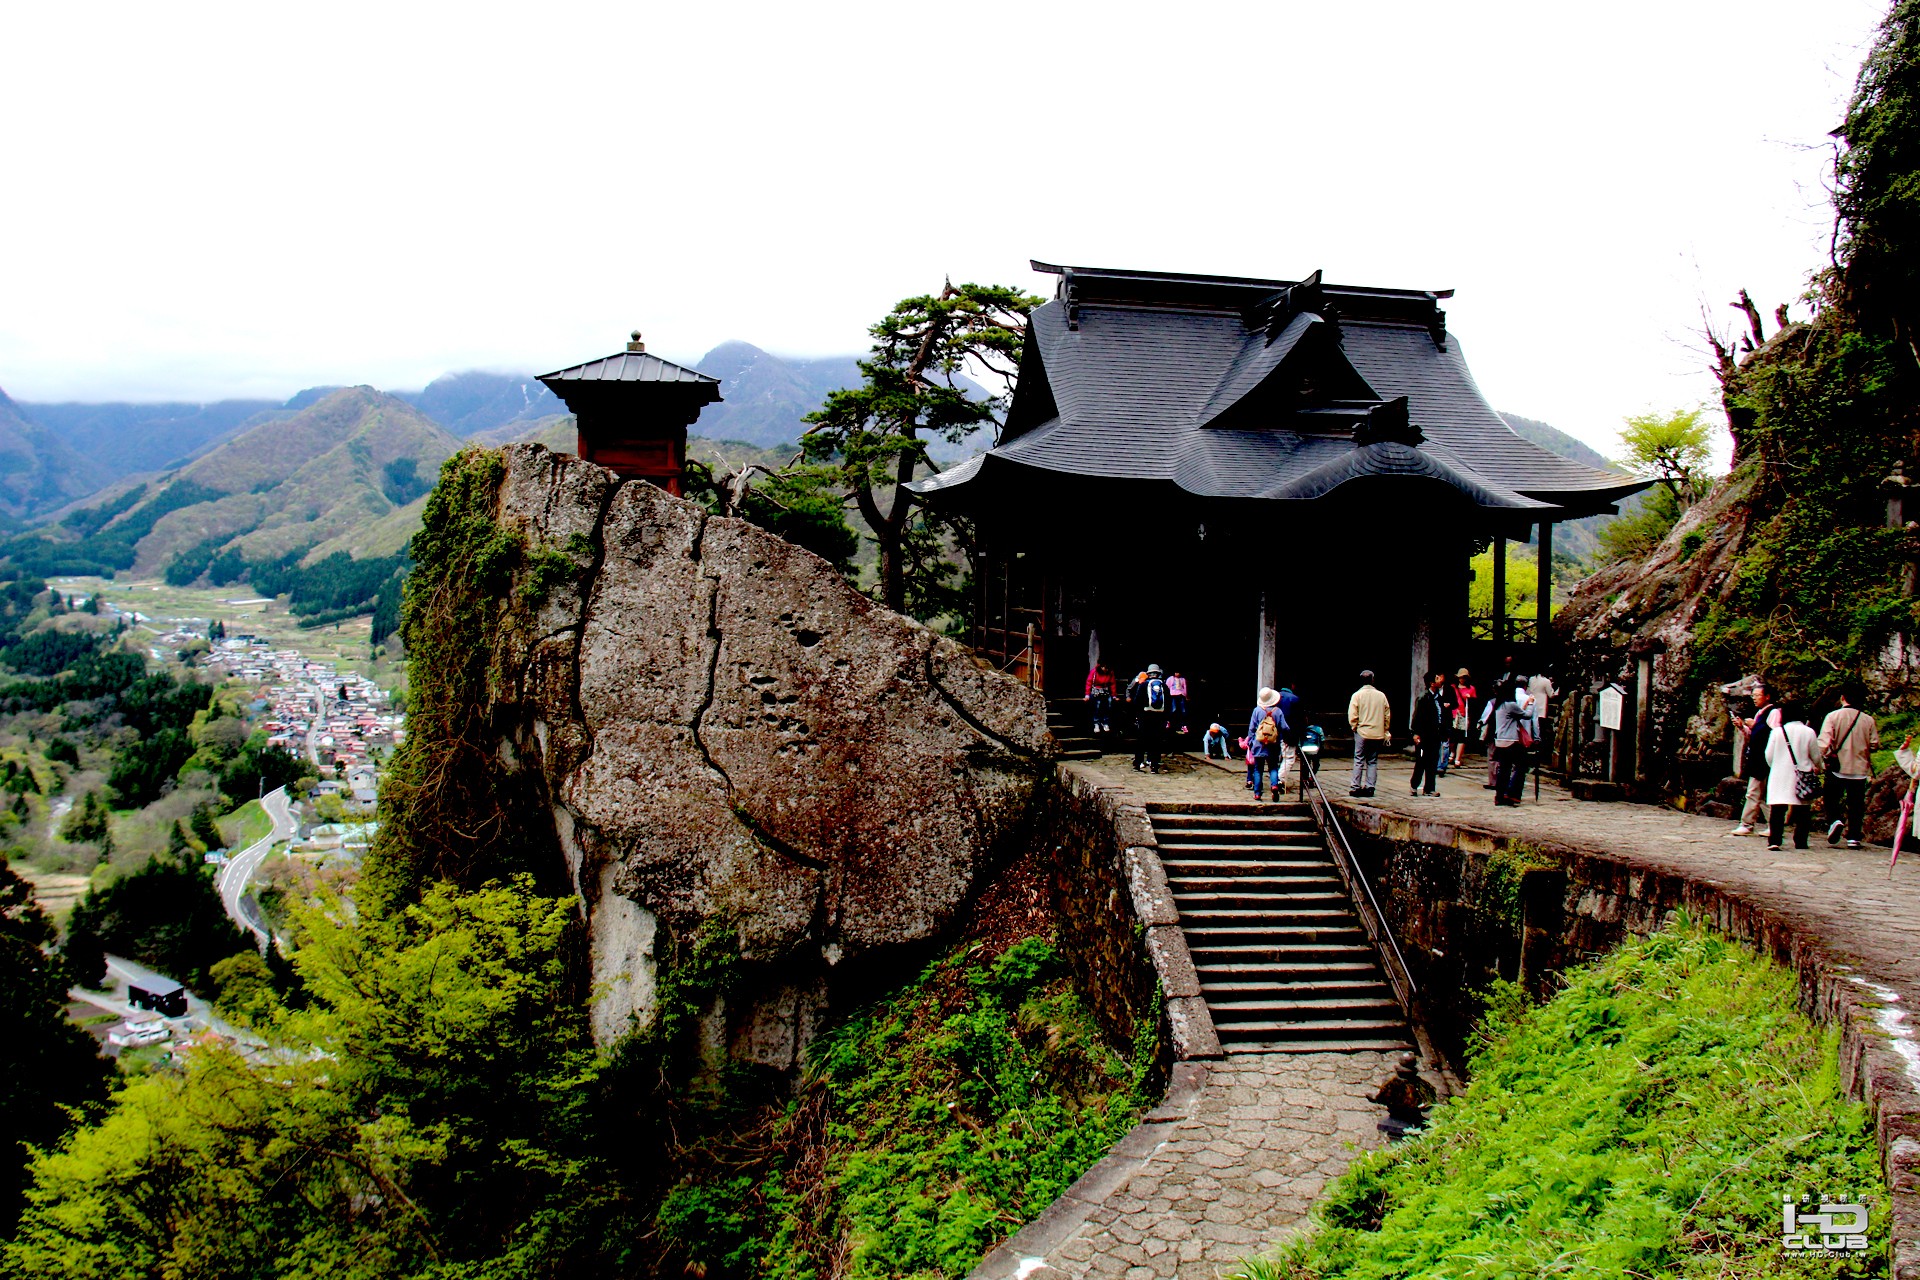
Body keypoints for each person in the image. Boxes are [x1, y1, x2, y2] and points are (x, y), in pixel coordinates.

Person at [1818, 687, 1879, 849]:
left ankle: (1835, 821)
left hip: (1838, 767)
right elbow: (1874, 744)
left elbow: (1823, 744)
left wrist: (1820, 759)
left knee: (1831, 798)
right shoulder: (1868, 720)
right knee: (1856, 803)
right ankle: (1854, 836)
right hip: (1859, 769)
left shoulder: (1833, 716)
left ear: (1843, 698)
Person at [1764, 701, 1823, 851]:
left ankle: (1775, 840)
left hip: (1780, 774)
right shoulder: (1809, 732)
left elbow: (1768, 755)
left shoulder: (1777, 732)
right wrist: (1819, 767)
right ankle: (1800, 841)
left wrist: (1776, 765)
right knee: (1803, 810)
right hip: (1802, 775)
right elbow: (1815, 756)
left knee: (1777, 810)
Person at [1731, 680, 1776, 836]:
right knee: (1761, 794)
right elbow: (1754, 736)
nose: (1755, 698)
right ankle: (1772, 825)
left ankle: (1747, 823)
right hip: (1758, 757)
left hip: (1764, 758)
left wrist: (1754, 726)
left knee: (1754, 792)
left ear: (1768, 696)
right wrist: (1743, 727)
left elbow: (1772, 734)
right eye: (1753, 695)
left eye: (1757, 695)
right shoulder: (1761, 713)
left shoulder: (1773, 713)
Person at [1347, 670, 1390, 797]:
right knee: (1372, 760)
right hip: (1377, 732)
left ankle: (1356, 786)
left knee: (1359, 759)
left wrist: (1355, 727)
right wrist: (1385, 729)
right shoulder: (1381, 695)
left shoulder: (1357, 695)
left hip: (1362, 731)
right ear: (1372, 680)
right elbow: (1387, 715)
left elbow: (1352, 715)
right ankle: (1370, 786)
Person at [1490, 679, 1532, 806]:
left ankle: (1500, 795)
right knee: (1522, 765)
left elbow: (1516, 713)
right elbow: (1527, 715)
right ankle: (1512, 792)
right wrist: (1530, 703)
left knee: (1504, 770)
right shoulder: (1510, 704)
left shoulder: (1499, 705)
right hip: (1510, 741)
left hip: (1500, 741)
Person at [1409, 670, 1448, 796]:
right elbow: (1417, 717)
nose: (1440, 680)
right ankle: (1414, 785)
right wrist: (1415, 733)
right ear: (1432, 683)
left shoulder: (1439, 698)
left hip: (1435, 736)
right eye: (1437, 678)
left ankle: (1429, 788)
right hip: (1424, 736)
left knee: (1432, 761)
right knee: (1421, 760)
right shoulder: (1423, 698)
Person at [1247, 687, 1288, 800]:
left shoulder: (1257, 710)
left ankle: (1257, 793)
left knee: (1258, 769)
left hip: (1258, 744)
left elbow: (1251, 728)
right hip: (1273, 744)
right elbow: (1284, 727)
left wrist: (1250, 742)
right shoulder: (1278, 711)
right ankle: (1274, 785)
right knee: (1273, 767)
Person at [1132, 663, 1170, 773]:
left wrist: (1137, 716)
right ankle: (1154, 765)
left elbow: (1137, 701)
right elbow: (1168, 702)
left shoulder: (1143, 685)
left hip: (1145, 715)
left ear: (1148, 674)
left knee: (1142, 739)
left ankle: (1138, 763)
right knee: (1156, 740)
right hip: (1159, 717)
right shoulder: (1164, 686)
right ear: (1158, 674)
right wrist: (1166, 718)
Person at [1275, 681, 1304, 793]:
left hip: (1273, 733)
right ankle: (1280, 780)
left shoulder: (1275, 698)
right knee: (1289, 758)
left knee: (1276, 757)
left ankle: (1275, 778)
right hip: (1288, 733)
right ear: (1292, 685)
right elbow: (1299, 720)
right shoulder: (1295, 699)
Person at [1451, 668, 1476, 769]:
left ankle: (1458, 758)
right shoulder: (1453, 688)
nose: (1462, 680)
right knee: (1451, 736)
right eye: (1460, 677)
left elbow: (1475, 704)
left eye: (1464, 678)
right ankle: (1452, 753)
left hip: (1464, 714)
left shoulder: (1471, 689)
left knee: (1462, 736)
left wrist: (1470, 698)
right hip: (1453, 713)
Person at [1084, 662, 1117, 735]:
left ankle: (1105, 722)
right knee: (1097, 706)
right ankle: (1096, 723)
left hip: (1105, 691)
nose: (1105, 670)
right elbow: (1089, 682)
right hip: (1096, 691)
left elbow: (1113, 684)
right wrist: (1087, 695)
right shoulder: (1094, 672)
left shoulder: (1110, 673)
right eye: (1104, 668)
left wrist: (1114, 695)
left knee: (1109, 704)